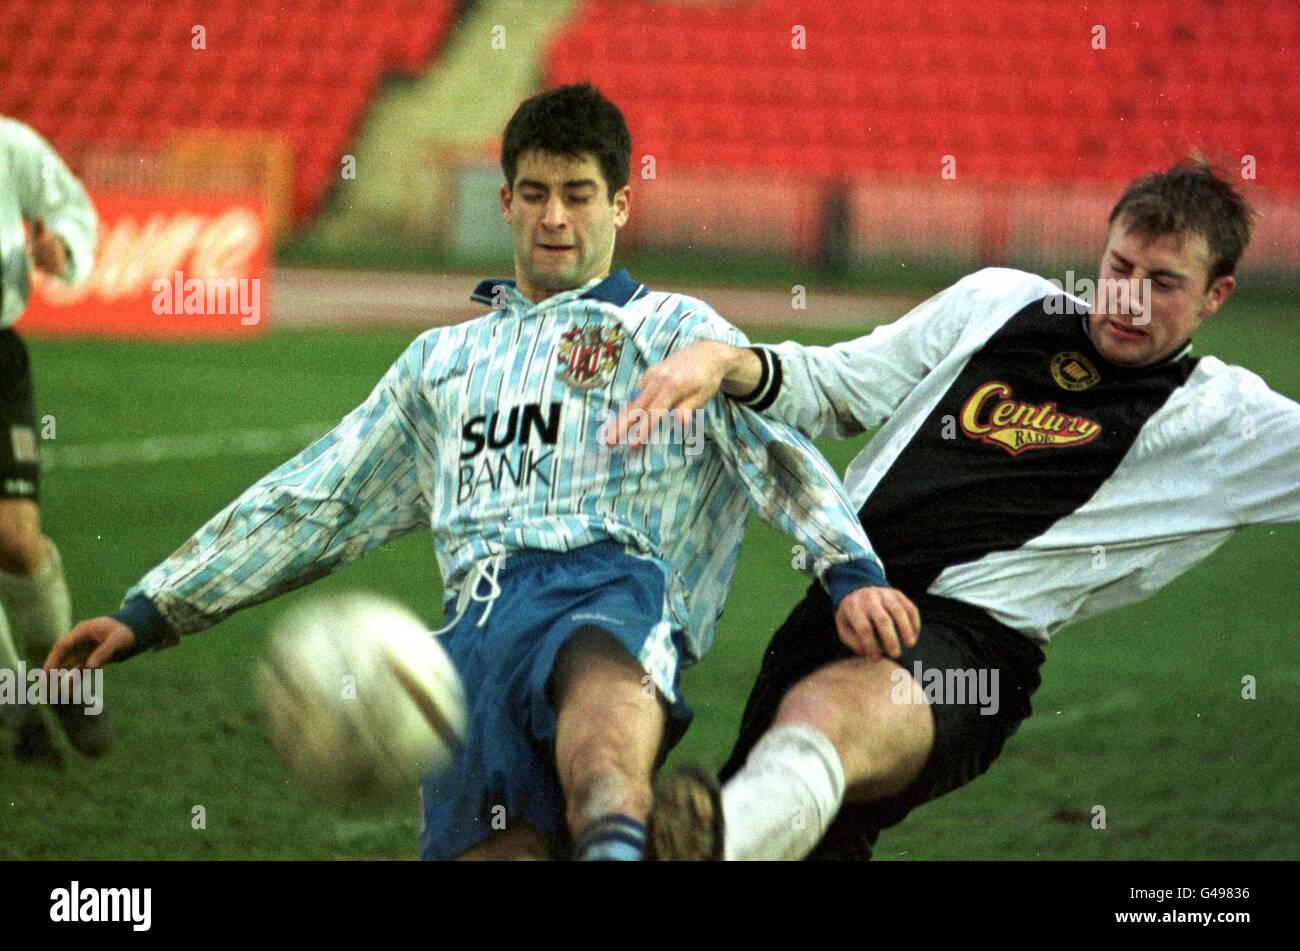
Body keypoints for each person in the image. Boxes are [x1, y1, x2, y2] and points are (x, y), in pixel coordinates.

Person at [43, 84, 912, 860]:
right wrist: (152, 609)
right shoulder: (442, 364)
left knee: (603, 765)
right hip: (469, 640)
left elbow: (778, 453)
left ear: (620, 204)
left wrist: (851, 570)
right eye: (535, 194)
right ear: (505, 200)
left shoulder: (673, 331)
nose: (555, 218)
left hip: (611, 594)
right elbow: (317, 497)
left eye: (578, 195)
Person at [611, 158, 1300, 860]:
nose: (1129, 298)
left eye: (1163, 284)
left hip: (971, 652)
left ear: (1216, 295)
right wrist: (729, 363)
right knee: (804, 832)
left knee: (823, 722)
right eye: (1120, 267)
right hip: (844, 601)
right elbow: (843, 385)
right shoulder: (999, 302)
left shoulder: (1222, 417)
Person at [0, 116, 104, 766]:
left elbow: (69, 206)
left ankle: (64, 675)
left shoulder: (9, 145)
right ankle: (17, 711)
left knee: (14, 537)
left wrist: (63, 245)